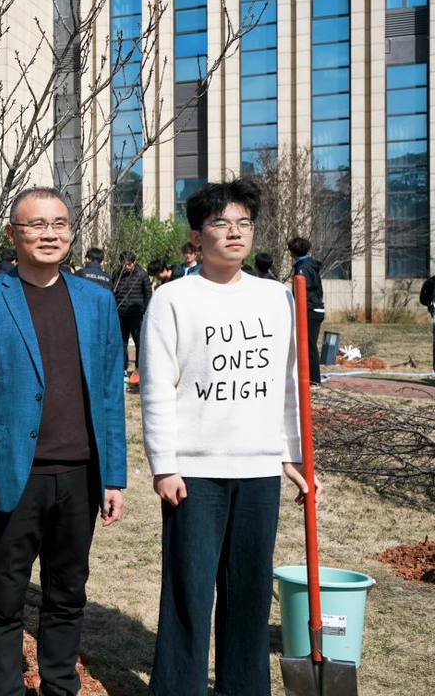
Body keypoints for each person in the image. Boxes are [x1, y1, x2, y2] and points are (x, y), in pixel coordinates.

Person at [140, 177, 323, 696]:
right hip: (195, 472)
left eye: (244, 223)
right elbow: (157, 387)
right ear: (197, 236)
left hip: (258, 469)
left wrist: (294, 457)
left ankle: (243, 688)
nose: (235, 232)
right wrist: (164, 465)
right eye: (221, 223)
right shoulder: (173, 299)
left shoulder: (276, 298)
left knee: (249, 593)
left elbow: (289, 384)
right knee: (189, 591)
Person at [0, 186, 126, 696]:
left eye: (59, 224)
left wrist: (114, 476)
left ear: (71, 232)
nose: (50, 234)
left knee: (67, 594)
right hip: (13, 476)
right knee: (4, 599)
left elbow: (110, 395)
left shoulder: (97, 301)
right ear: (13, 233)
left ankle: (59, 686)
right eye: (37, 225)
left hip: (80, 475)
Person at [289, 236, 325, 387]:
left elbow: (304, 289)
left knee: (309, 346)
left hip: (310, 310)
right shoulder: (309, 264)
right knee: (308, 344)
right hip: (315, 309)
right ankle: (308, 378)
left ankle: (313, 380)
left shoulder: (303, 267)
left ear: (292, 251)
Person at [112, 251, 153, 374]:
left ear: (134, 262)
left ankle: (139, 368)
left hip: (136, 314)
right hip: (121, 313)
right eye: (124, 264)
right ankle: (123, 368)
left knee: (139, 341)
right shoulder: (117, 274)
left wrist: (145, 310)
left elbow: (148, 294)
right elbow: (113, 291)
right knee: (122, 342)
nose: (126, 267)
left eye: (129, 264)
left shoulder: (142, 274)